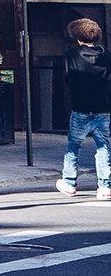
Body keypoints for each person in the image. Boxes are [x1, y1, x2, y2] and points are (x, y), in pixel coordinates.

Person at [58, 18, 110, 198]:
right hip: (103, 107)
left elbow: (69, 79)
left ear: (77, 35)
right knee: (103, 146)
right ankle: (105, 186)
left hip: (80, 107)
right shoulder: (107, 55)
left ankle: (69, 183)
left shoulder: (72, 54)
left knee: (73, 145)